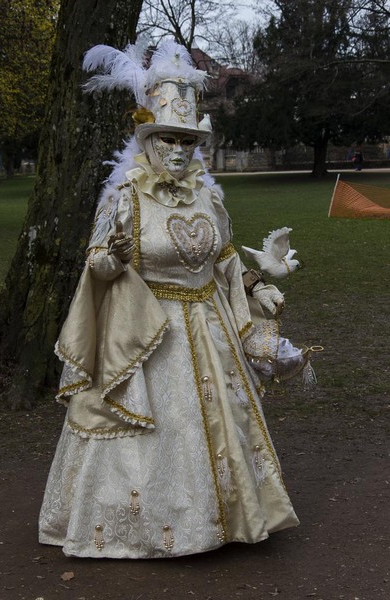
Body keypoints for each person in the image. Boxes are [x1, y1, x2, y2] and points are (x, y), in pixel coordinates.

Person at [39, 40, 302, 559]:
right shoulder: (125, 196)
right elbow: (97, 262)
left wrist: (258, 285)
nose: (179, 150)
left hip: (208, 327)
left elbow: (223, 256)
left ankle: (221, 521)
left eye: (188, 140)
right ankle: (140, 531)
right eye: (168, 139)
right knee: (149, 428)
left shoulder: (209, 195)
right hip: (142, 333)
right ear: (148, 140)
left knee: (216, 426)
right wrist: (109, 260)